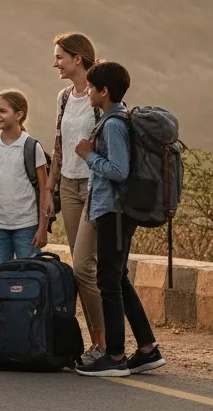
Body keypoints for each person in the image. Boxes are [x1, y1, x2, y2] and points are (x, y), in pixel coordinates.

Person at [73, 61, 166, 377]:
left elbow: (119, 170)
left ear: (104, 91)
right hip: (116, 211)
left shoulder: (113, 124)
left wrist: (88, 155)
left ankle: (114, 356)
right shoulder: (117, 119)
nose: (88, 92)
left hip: (113, 212)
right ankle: (147, 349)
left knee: (108, 282)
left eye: (91, 87)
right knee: (118, 278)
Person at [45, 33, 107, 365]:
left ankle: (103, 343)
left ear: (77, 59)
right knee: (82, 267)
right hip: (68, 186)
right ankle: (97, 341)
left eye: (60, 57)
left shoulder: (101, 92)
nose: (55, 63)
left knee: (84, 266)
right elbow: (58, 145)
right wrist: (49, 191)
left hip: (95, 186)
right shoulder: (64, 97)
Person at [0, 90, 48, 271]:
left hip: (27, 225)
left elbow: (45, 190)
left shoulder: (32, 147)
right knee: (1, 275)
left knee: (30, 276)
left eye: (3, 111)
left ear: (19, 115)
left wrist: (42, 229)